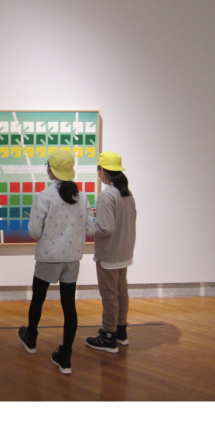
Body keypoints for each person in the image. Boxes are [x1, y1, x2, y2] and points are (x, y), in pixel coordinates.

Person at [19, 150, 90, 375]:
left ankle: (31, 338)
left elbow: (33, 231)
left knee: (38, 300)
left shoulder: (44, 196)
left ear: (50, 169)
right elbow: (89, 229)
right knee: (69, 307)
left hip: (48, 257)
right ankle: (65, 357)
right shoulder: (83, 197)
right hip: (72, 258)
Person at [85, 151, 138, 353]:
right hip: (124, 252)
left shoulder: (107, 195)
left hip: (109, 253)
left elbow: (105, 228)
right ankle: (120, 330)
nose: (98, 173)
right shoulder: (127, 194)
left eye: (98, 169)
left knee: (109, 295)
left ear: (103, 171)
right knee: (121, 293)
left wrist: (88, 228)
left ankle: (109, 336)